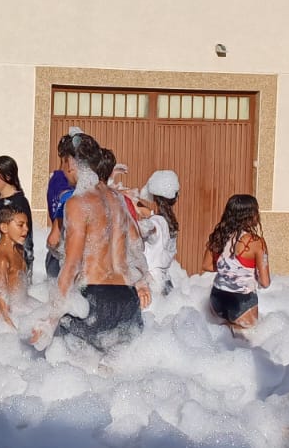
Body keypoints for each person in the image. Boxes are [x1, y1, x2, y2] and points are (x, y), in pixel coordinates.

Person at [33, 132, 151, 353]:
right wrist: (142, 282)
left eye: (63, 162)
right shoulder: (118, 200)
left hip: (94, 300)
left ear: (70, 163)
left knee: (80, 378)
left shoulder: (77, 202)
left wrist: (50, 320)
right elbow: (137, 246)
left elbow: (72, 264)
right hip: (127, 299)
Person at [204, 194, 270, 330]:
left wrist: (229, 269)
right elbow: (265, 282)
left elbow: (207, 265)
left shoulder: (218, 236)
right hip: (242, 300)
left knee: (221, 340)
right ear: (250, 215)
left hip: (218, 296)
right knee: (245, 344)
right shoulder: (256, 242)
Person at [0, 208, 31, 329]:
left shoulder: (19, 249)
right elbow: (1, 296)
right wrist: (12, 327)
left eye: (27, 225)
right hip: (0, 314)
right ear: (4, 228)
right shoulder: (1, 257)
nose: (26, 229)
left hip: (17, 308)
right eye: (20, 225)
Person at [0, 155, 34, 268]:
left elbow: (26, 241)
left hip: (11, 268)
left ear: (7, 176)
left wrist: (25, 274)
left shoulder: (19, 203)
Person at [137, 170, 180, 296]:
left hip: (152, 283)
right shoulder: (170, 221)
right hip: (166, 281)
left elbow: (151, 226)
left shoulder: (156, 222)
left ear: (154, 197)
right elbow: (151, 216)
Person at [44, 132, 80, 279]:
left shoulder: (56, 180)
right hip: (64, 259)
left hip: (63, 257)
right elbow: (66, 197)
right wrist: (57, 226)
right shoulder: (62, 181)